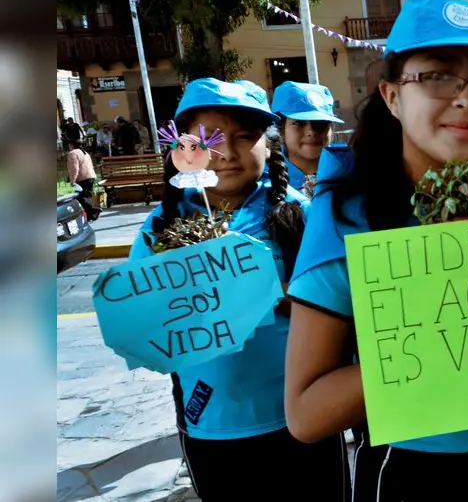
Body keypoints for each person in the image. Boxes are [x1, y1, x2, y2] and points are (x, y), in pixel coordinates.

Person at [283, 0, 468, 502]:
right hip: (414, 466)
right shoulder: (347, 215)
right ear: (392, 95)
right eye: (438, 75)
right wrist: (449, 338)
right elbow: (307, 413)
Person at [128, 78, 349, 501]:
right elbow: (143, 323)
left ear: (268, 144)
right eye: (208, 138)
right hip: (214, 425)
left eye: (245, 137)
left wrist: (271, 293)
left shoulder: (301, 214)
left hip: (306, 419)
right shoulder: (161, 226)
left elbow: (339, 301)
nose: (227, 152)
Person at [271, 81, 343, 196]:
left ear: (331, 129)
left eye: (320, 123)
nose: (311, 132)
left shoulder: (351, 175)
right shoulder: (264, 181)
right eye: (299, 123)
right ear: (280, 130)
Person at [65, 140, 101, 220]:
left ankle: (95, 210)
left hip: (82, 178)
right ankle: (91, 215)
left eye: (69, 145)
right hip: (90, 176)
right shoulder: (85, 152)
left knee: (81, 198)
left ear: (72, 145)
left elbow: (74, 168)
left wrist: (72, 180)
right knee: (87, 196)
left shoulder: (72, 153)